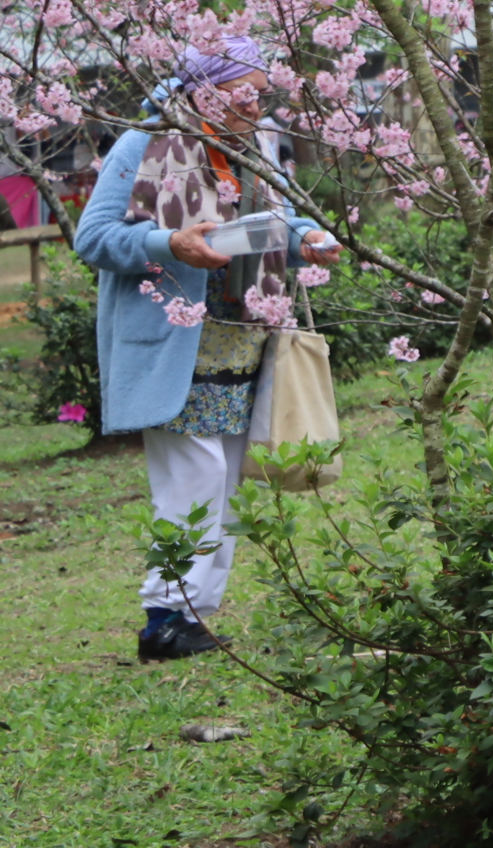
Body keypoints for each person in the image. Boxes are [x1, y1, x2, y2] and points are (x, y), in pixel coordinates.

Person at [73, 38, 342, 662]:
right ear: (204, 89)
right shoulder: (146, 141)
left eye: (258, 90)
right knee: (194, 474)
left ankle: (194, 616)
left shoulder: (252, 145)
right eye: (240, 91)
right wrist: (171, 243)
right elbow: (95, 237)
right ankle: (163, 615)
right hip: (171, 342)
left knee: (227, 479)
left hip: (238, 335)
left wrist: (309, 236)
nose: (254, 103)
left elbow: (274, 217)